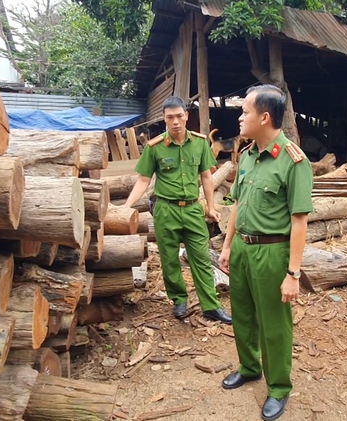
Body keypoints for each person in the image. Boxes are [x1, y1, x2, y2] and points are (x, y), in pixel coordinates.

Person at [218, 85, 313, 421]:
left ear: (265, 116)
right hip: (242, 248)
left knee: (274, 324)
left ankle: (278, 388)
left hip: (272, 253)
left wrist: (293, 274)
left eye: (245, 111)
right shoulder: (246, 156)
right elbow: (237, 202)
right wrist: (228, 245)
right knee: (241, 314)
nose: (241, 117)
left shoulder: (293, 161)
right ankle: (249, 367)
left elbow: (299, 221)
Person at [124, 96, 231, 324]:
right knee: (170, 259)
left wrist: (211, 207)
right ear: (164, 119)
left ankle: (211, 306)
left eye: (179, 116)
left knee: (201, 258)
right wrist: (126, 206)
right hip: (166, 210)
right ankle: (179, 300)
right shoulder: (155, 147)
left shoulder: (201, 143)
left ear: (186, 116)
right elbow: (143, 180)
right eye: (170, 117)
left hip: (193, 210)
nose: (175, 122)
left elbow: (206, 177)